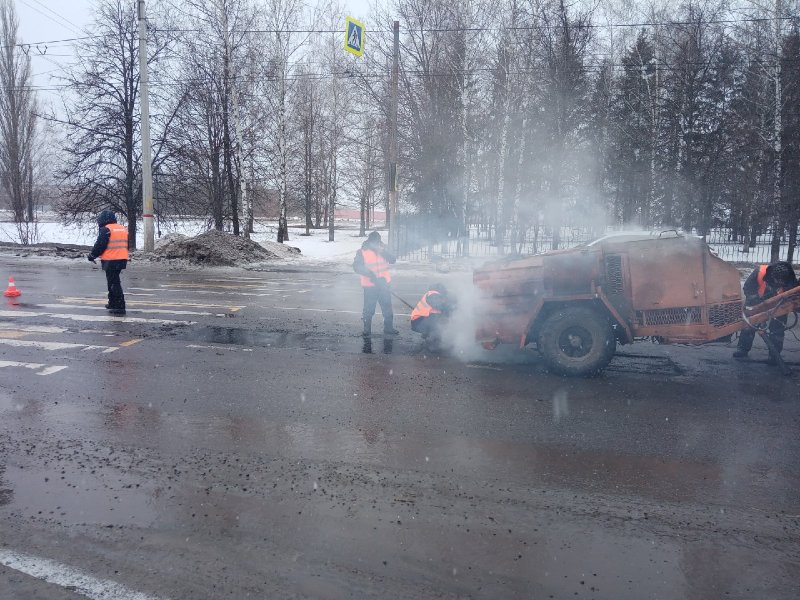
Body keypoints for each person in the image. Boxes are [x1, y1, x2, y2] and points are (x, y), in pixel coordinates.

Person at [734, 261, 798, 364]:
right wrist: (756, 300)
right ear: (772, 276)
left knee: (777, 330)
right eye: (777, 281)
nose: (779, 283)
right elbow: (748, 288)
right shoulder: (760, 272)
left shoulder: (790, 279)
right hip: (757, 302)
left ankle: (774, 355)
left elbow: (793, 295)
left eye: (781, 282)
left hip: (778, 306)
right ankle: (742, 349)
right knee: (749, 325)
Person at [353, 231, 398, 336]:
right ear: (370, 241)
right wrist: (370, 275)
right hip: (370, 286)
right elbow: (357, 267)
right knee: (369, 308)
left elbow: (392, 260)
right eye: (375, 241)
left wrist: (383, 252)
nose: (377, 243)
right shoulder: (362, 251)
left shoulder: (382, 249)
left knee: (387, 307)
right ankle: (367, 330)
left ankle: (389, 328)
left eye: (378, 241)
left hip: (384, 285)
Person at [87, 209, 129, 315]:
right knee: (113, 281)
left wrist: (92, 255)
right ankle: (113, 303)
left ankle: (119, 305)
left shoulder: (107, 229)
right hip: (122, 258)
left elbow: (100, 245)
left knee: (114, 283)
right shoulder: (122, 228)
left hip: (111, 259)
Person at [410, 283, 455, 348]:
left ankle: (428, 334)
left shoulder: (433, 294)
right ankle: (433, 341)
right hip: (419, 321)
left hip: (420, 320)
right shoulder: (433, 294)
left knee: (438, 318)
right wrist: (451, 308)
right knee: (438, 322)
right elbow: (439, 305)